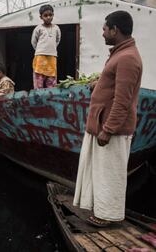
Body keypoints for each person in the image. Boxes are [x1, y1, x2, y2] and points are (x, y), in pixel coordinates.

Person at [73, 11, 143, 227]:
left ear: (115, 30)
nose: (102, 33)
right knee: (102, 173)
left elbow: (123, 100)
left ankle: (108, 215)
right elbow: (114, 86)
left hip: (112, 129)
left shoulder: (128, 58)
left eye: (105, 29)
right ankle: (102, 211)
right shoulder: (120, 55)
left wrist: (108, 129)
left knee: (111, 174)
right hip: (102, 125)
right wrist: (98, 84)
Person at [31, 4, 61, 89]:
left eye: (50, 15)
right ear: (41, 17)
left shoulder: (56, 28)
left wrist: (51, 49)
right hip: (40, 57)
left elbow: (57, 40)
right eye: (45, 15)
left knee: (51, 82)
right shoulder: (38, 28)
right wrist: (40, 50)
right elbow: (34, 42)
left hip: (52, 58)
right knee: (38, 81)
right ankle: (38, 99)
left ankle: (50, 100)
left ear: (53, 15)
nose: (48, 17)